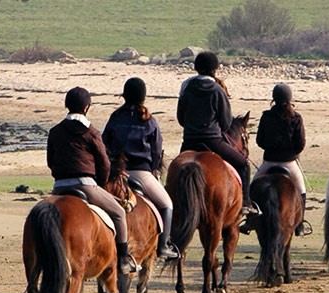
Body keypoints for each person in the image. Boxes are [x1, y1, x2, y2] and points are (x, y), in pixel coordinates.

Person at [47, 87, 132, 274]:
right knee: (119, 212)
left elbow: (50, 161)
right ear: (86, 108)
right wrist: (100, 184)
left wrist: (60, 177)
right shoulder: (91, 132)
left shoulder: (55, 131)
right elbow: (104, 164)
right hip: (86, 185)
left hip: (59, 187)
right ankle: (124, 259)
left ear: (66, 106)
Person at [102, 77, 179, 260]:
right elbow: (156, 151)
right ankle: (163, 246)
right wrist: (151, 170)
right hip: (141, 172)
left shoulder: (115, 117)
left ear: (124, 95)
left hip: (117, 173)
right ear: (143, 97)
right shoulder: (149, 120)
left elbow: (105, 144)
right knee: (167, 205)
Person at [176, 51, 258, 215]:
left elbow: (180, 118)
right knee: (243, 164)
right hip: (213, 140)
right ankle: (246, 203)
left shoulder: (187, 88)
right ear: (215, 69)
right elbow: (227, 123)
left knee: (177, 171)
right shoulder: (217, 90)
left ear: (196, 68)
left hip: (189, 141)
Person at [240, 83, 308, 236]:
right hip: (289, 163)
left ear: (274, 98)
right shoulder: (296, 117)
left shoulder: (266, 116)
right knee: (302, 190)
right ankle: (300, 225)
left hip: (269, 162)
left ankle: (250, 220)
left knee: (251, 188)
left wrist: (271, 148)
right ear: (289, 99)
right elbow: (301, 143)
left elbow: (260, 141)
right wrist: (291, 153)